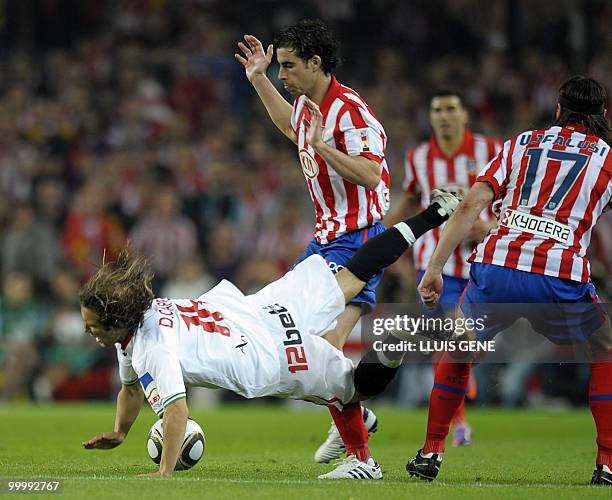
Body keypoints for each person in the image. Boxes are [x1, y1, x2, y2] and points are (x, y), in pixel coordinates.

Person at [80, 190, 460, 479]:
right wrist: (119, 432)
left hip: (268, 357)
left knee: (354, 388)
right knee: (352, 276)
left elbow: (177, 411)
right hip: (260, 308)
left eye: (93, 324)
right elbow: (130, 389)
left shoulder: (152, 348)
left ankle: (392, 354)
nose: (88, 329)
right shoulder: (143, 314)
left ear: (116, 320)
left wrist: (163, 473)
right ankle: (433, 214)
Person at [412, 75, 612, 486]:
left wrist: (435, 266)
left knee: (459, 349)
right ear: (602, 116)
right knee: (604, 348)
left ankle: (431, 452)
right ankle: (606, 462)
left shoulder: (521, 143)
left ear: (558, 109)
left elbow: (471, 203)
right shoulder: (607, 158)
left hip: (498, 267)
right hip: (559, 276)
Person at [235, 19, 390, 462]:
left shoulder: (351, 111)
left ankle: (360, 453)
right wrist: (259, 80)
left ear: (316, 63)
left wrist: (323, 147)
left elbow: (370, 173)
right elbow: (291, 128)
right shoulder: (306, 104)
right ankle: (355, 418)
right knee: (303, 347)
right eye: (278, 67)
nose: (283, 75)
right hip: (326, 242)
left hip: (355, 242)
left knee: (313, 348)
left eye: (287, 66)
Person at [385, 90, 500, 446]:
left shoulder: (491, 151)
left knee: (468, 344)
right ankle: (459, 423)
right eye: (437, 110)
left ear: (465, 115)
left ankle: (465, 379)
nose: (444, 116)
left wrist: (492, 226)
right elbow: (409, 195)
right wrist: (379, 238)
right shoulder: (419, 157)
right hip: (434, 266)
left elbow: (513, 199)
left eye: (451, 109)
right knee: (449, 340)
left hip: (481, 265)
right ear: (431, 118)